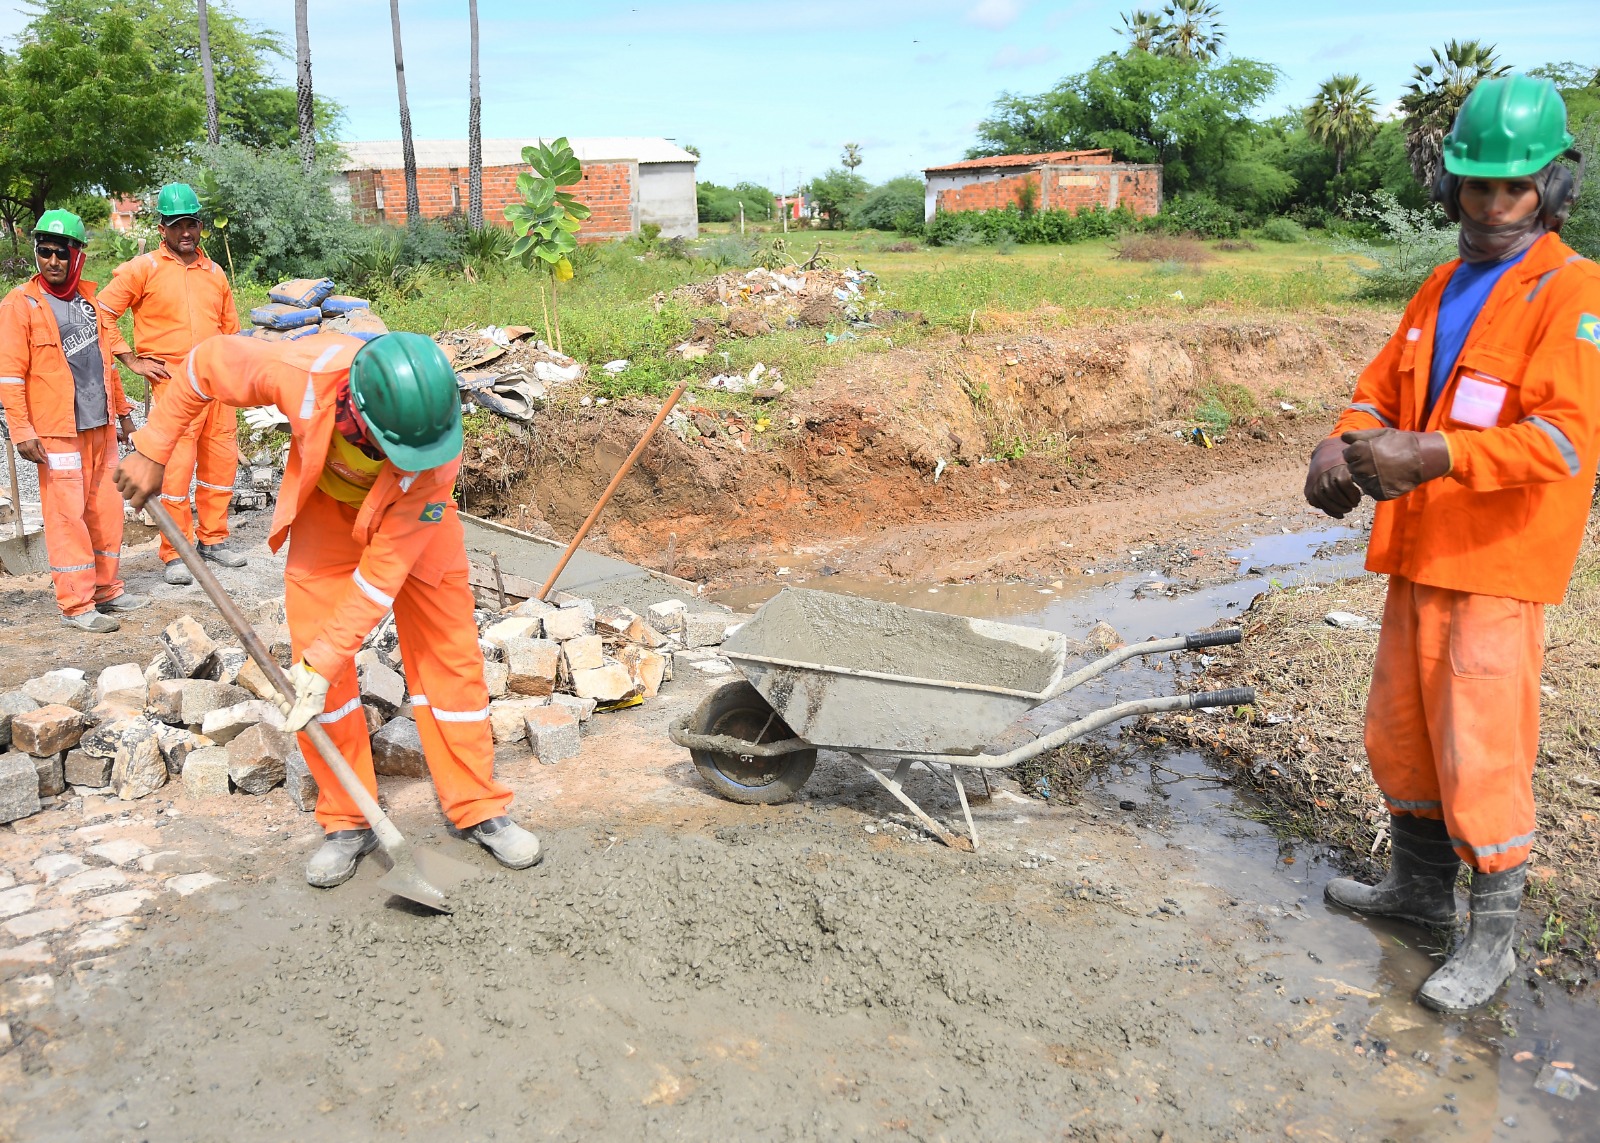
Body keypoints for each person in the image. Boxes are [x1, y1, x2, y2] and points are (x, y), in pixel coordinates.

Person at [1304, 75, 1600, 1012]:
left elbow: (1565, 441)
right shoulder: (1439, 285)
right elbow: (1378, 392)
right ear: (1449, 188)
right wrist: (1338, 443)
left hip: (1495, 569)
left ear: (1551, 188)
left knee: (1482, 747)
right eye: (1474, 186)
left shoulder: (1574, 292)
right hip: (1419, 557)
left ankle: (1493, 939)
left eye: (1510, 189)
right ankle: (1419, 894)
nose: (1489, 206)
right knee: (1403, 731)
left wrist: (1434, 453)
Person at [115, 329, 542, 885]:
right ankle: (349, 818)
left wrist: (326, 659)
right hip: (328, 516)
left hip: (413, 527)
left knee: (450, 659)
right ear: (356, 413)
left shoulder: (435, 446)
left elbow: (380, 579)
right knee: (318, 669)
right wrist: (152, 448)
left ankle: (478, 806)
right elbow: (201, 365)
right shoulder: (299, 372)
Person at [0, 210, 153, 632]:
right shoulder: (20, 304)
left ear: (77, 257)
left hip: (99, 426)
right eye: (44, 252)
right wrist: (21, 429)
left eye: (60, 253)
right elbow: (10, 374)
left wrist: (123, 416)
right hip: (57, 432)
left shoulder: (89, 302)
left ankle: (106, 589)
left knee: (105, 509)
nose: (52, 261)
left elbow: (108, 366)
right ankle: (76, 602)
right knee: (67, 516)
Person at [97, 182, 244, 586]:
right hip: (173, 385)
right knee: (175, 472)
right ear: (162, 227)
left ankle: (214, 539)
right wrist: (130, 358)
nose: (185, 233)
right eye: (176, 225)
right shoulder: (143, 268)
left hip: (216, 385)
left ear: (200, 226)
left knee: (219, 465)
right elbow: (103, 311)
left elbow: (231, 330)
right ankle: (176, 551)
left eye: (191, 224)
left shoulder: (214, 273)